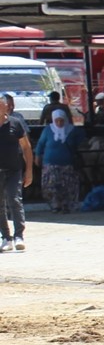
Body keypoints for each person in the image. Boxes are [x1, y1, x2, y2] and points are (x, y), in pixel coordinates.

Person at [0, 94, 34, 252]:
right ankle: (6, 238)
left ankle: (19, 235)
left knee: (14, 199)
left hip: (13, 170)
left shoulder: (15, 123)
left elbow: (26, 147)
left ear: (6, 107)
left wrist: (29, 171)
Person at [37, 106, 84, 213]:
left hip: (68, 164)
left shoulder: (72, 130)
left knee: (68, 187)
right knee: (50, 186)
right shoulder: (48, 130)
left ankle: (67, 206)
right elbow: (40, 144)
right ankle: (55, 205)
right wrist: (37, 156)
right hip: (50, 164)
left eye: (61, 120)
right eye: (57, 120)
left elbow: (81, 139)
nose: (59, 123)